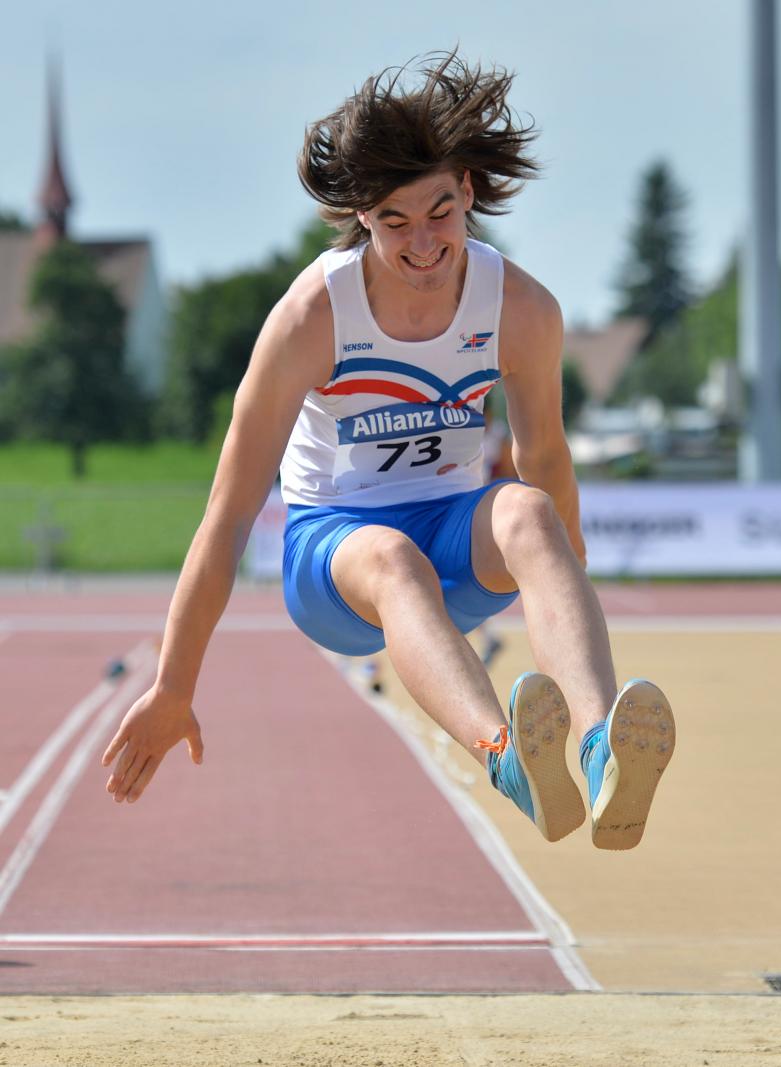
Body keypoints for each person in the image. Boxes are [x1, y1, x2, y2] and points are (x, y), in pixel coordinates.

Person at [102, 53, 675, 850]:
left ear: (469, 190)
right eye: (394, 221)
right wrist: (173, 684)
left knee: (529, 510)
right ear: (362, 217)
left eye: (439, 212)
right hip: (333, 559)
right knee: (390, 556)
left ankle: (597, 745)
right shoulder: (311, 317)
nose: (423, 244)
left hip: (452, 537)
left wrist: (564, 580)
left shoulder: (520, 307)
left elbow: (548, 460)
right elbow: (229, 514)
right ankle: (508, 757)